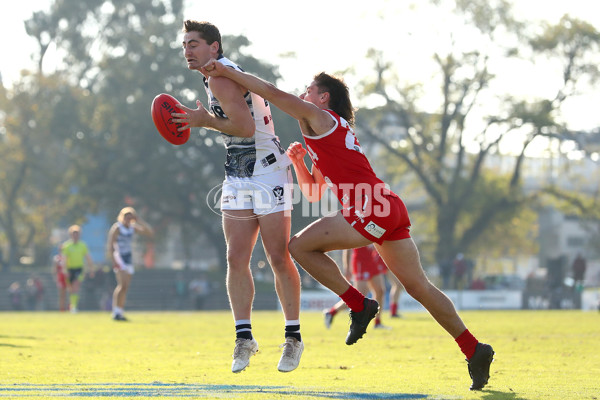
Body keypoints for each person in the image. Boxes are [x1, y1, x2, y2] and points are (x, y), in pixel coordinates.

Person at [198, 61, 495, 390]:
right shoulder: (326, 131)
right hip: (386, 206)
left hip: (370, 206)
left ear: (323, 98)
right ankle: (475, 349)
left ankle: (359, 305)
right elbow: (314, 191)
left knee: (297, 247)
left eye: (308, 90)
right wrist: (298, 162)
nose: (301, 94)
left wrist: (228, 73)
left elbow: (269, 92)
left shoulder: (319, 118)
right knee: (419, 288)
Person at [171, 20, 303, 373]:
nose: (187, 50)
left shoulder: (219, 76)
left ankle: (293, 338)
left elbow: (244, 128)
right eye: (185, 45)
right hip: (237, 172)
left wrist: (203, 120)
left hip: (268, 169)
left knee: (277, 256)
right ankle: (244, 337)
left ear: (214, 47)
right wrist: (206, 120)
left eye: (194, 44)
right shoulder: (216, 73)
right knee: (235, 257)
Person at [324, 245, 389, 329]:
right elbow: (347, 247)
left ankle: (377, 322)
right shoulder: (354, 232)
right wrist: (347, 268)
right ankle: (331, 312)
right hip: (360, 262)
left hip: (372, 260)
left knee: (380, 291)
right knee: (358, 296)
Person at [107, 207, 153, 321]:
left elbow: (149, 231)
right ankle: (115, 311)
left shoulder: (132, 228)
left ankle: (120, 311)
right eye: (126, 217)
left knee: (125, 287)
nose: (128, 219)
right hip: (119, 257)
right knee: (121, 285)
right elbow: (111, 245)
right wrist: (113, 260)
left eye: (130, 217)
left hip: (128, 258)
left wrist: (139, 221)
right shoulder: (117, 228)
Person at [61, 225, 95, 313]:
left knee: (76, 286)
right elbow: (64, 259)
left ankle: (74, 307)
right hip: (70, 269)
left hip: (79, 269)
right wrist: (65, 270)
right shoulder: (67, 246)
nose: (75, 235)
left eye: (77, 233)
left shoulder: (83, 245)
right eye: (74, 233)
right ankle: (72, 305)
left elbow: (88, 257)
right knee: (71, 289)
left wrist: (91, 269)